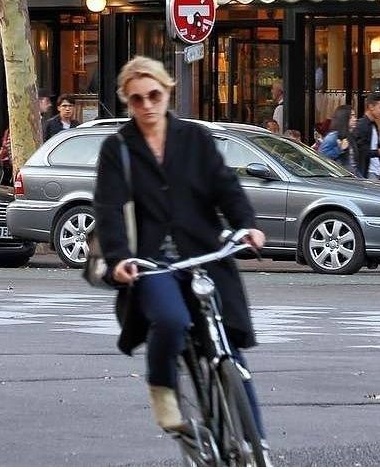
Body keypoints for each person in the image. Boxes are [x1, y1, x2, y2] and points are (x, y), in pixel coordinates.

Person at [94, 56, 267, 435]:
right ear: (127, 100)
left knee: (229, 348)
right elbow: (108, 209)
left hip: (202, 254)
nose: (147, 105)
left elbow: (226, 186)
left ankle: (259, 451)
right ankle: (161, 385)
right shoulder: (117, 148)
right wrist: (120, 258)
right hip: (151, 261)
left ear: (167, 91)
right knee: (171, 320)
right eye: (136, 99)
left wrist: (247, 225)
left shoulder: (195, 138)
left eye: (154, 95)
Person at [317, 104, 360, 176]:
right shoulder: (333, 136)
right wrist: (339, 149)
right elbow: (321, 157)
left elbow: (353, 165)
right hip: (339, 179)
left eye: (354, 116)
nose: (355, 119)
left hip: (351, 178)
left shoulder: (350, 136)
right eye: (351, 116)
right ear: (344, 118)